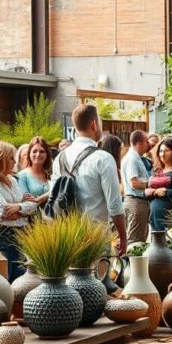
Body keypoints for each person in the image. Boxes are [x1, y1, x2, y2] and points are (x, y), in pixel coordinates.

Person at [56, 105, 127, 255]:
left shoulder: (59, 158)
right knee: (99, 278)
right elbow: (114, 204)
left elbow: (54, 196)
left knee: (71, 278)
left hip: (67, 235)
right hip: (96, 236)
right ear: (94, 124)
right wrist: (123, 235)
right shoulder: (103, 158)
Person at [0, 141, 37, 282]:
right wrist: (22, 206)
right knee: (8, 277)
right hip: (2, 234)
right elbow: (6, 212)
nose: (15, 161)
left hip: (21, 233)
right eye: (11, 158)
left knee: (22, 276)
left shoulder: (12, 180)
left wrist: (18, 207)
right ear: (0, 159)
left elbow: (33, 205)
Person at [121, 130, 151, 243]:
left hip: (138, 202)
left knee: (139, 238)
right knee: (135, 241)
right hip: (136, 202)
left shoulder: (136, 157)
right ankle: (128, 261)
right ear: (138, 143)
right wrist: (152, 184)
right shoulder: (132, 159)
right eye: (146, 141)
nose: (148, 144)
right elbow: (134, 183)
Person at [16, 136, 53, 203]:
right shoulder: (21, 176)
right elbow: (27, 202)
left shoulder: (53, 173)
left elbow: (60, 192)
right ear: (29, 154)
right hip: (33, 213)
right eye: (34, 151)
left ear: (47, 154)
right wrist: (51, 193)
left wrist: (39, 199)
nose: (38, 154)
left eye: (42, 151)